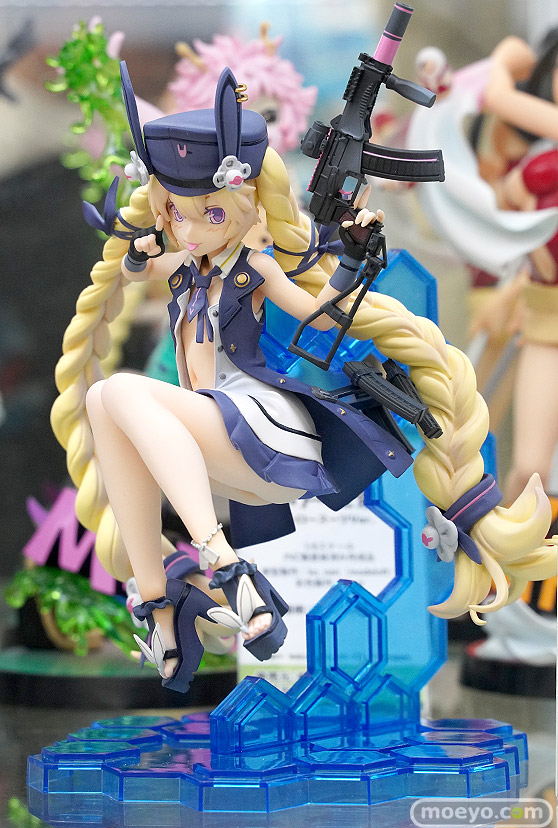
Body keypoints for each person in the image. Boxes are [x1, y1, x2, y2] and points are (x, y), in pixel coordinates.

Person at [51, 64, 557, 693]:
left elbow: (316, 313)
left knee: (119, 390)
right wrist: (139, 251)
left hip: (265, 431)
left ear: (243, 205)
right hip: (209, 447)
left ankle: (223, 562)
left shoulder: (256, 268)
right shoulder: (186, 272)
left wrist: (350, 258)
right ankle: (160, 606)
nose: (188, 229)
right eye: (175, 215)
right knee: (104, 400)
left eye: (209, 214)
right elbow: (142, 269)